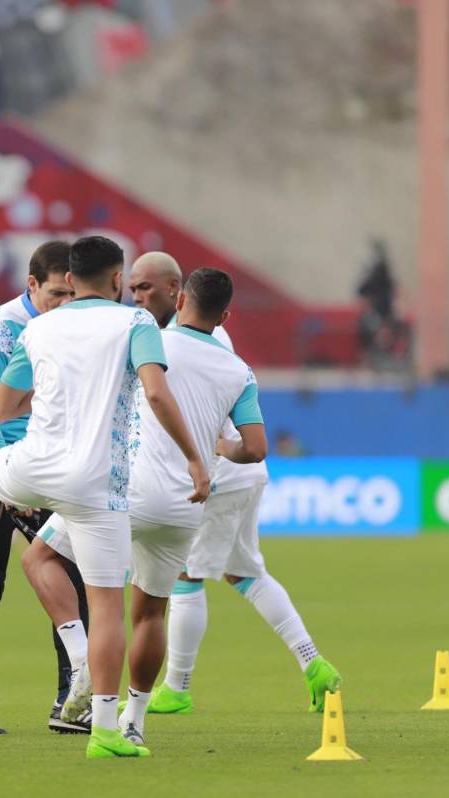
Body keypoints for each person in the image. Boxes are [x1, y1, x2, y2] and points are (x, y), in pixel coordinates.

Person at [0, 236, 211, 759]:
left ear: (71, 280)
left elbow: (4, 407)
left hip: (35, 466)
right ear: (118, 279)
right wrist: (194, 457)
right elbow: (155, 391)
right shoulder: (136, 323)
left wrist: (54, 390)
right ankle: (104, 730)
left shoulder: (39, 326)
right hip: (98, 483)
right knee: (105, 608)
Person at [126, 253, 343, 716]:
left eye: (147, 290)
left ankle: (177, 687)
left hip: (215, 474)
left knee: (184, 576)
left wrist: (213, 448)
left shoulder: (165, 343)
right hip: (246, 474)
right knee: (246, 573)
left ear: (178, 296)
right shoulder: (218, 340)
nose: (140, 298)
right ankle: (312, 661)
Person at [112, 267, 266, 748]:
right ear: (224, 315)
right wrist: (217, 450)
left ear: (179, 302)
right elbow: (256, 447)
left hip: (127, 493)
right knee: (152, 613)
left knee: (47, 562)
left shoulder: (148, 342)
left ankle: (83, 688)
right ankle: (134, 718)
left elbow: (139, 396)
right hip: (186, 502)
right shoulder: (239, 369)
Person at [0, 240, 89, 735]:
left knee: (70, 576)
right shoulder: (1, 329)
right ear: (31, 286)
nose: (64, 305)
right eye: (54, 295)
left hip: (45, 469)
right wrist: (4, 480)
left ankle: (70, 702)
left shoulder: (71, 326)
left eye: (72, 295)